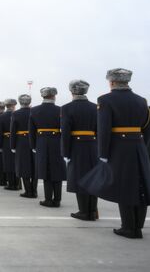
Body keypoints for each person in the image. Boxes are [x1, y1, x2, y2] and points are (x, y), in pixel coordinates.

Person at [81, 68, 150, 239]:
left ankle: (128, 227)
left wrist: (103, 152)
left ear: (111, 82)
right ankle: (138, 226)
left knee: (124, 186)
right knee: (139, 185)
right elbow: (146, 127)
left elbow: (104, 128)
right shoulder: (142, 101)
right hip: (139, 146)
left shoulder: (105, 100)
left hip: (119, 148)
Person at [61, 80, 99, 221]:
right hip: (93, 146)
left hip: (76, 147)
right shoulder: (96, 107)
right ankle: (93, 211)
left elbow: (65, 132)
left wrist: (65, 152)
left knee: (80, 178)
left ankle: (84, 212)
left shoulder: (66, 108)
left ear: (71, 91)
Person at [29, 87, 66, 207]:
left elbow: (32, 130)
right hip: (56, 141)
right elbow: (65, 129)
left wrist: (33, 145)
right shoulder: (60, 110)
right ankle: (57, 200)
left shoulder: (34, 110)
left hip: (41, 141)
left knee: (46, 171)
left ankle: (48, 199)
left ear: (42, 96)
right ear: (54, 96)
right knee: (57, 170)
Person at [11, 94, 37, 198]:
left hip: (21, 141)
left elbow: (13, 130)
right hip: (34, 140)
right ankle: (34, 191)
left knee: (23, 166)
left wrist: (12, 145)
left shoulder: (16, 114)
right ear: (30, 102)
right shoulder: (34, 111)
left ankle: (28, 191)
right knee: (34, 166)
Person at [0, 98, 20, 190]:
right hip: (18, 140)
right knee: (17, 163)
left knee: (8, 163)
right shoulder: (17, 114)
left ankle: (11, 184)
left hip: (6, 141)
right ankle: (18, 184)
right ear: (14, 105)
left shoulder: (1, 117)